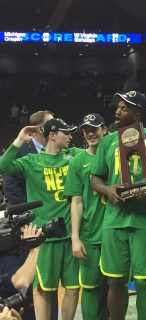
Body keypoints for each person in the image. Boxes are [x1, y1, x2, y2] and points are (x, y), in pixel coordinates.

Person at [90, 90, 146, 320]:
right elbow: (95, 178)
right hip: (114, 219)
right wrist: (108, 190)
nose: (117, 111)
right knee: (116, 280)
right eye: (117, 107)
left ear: (138, 112)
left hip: (145, 219)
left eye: (124, 108)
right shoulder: (108, 141)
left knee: (144, 282)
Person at [0, 118, 81, 320]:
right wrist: (19, 140)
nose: (71, 136)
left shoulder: (74, 156)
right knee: (43, 289)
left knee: (72, 288)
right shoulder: (31, 162)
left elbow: (99, 152)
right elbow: (3, 167)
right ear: (52, 135)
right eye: (66, 132)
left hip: (71, 235)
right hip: (43, 236)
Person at [63, 113, 108, 320]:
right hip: (90, 233)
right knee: (89, 287)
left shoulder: (116, 154)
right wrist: (75, 237)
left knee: (117, 284)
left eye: (95, 129)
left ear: (104, 130)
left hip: (115, 231)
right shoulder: (78, 161)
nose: (91, 133)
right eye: (86, 130)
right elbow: (76, 201)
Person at [3, 110, 53, 205]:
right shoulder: (20, 150)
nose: (56, 126)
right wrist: (26, 212)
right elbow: (10, 186)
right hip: (31, 212)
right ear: (40, 129)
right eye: (52, 123)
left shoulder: (53, 150)